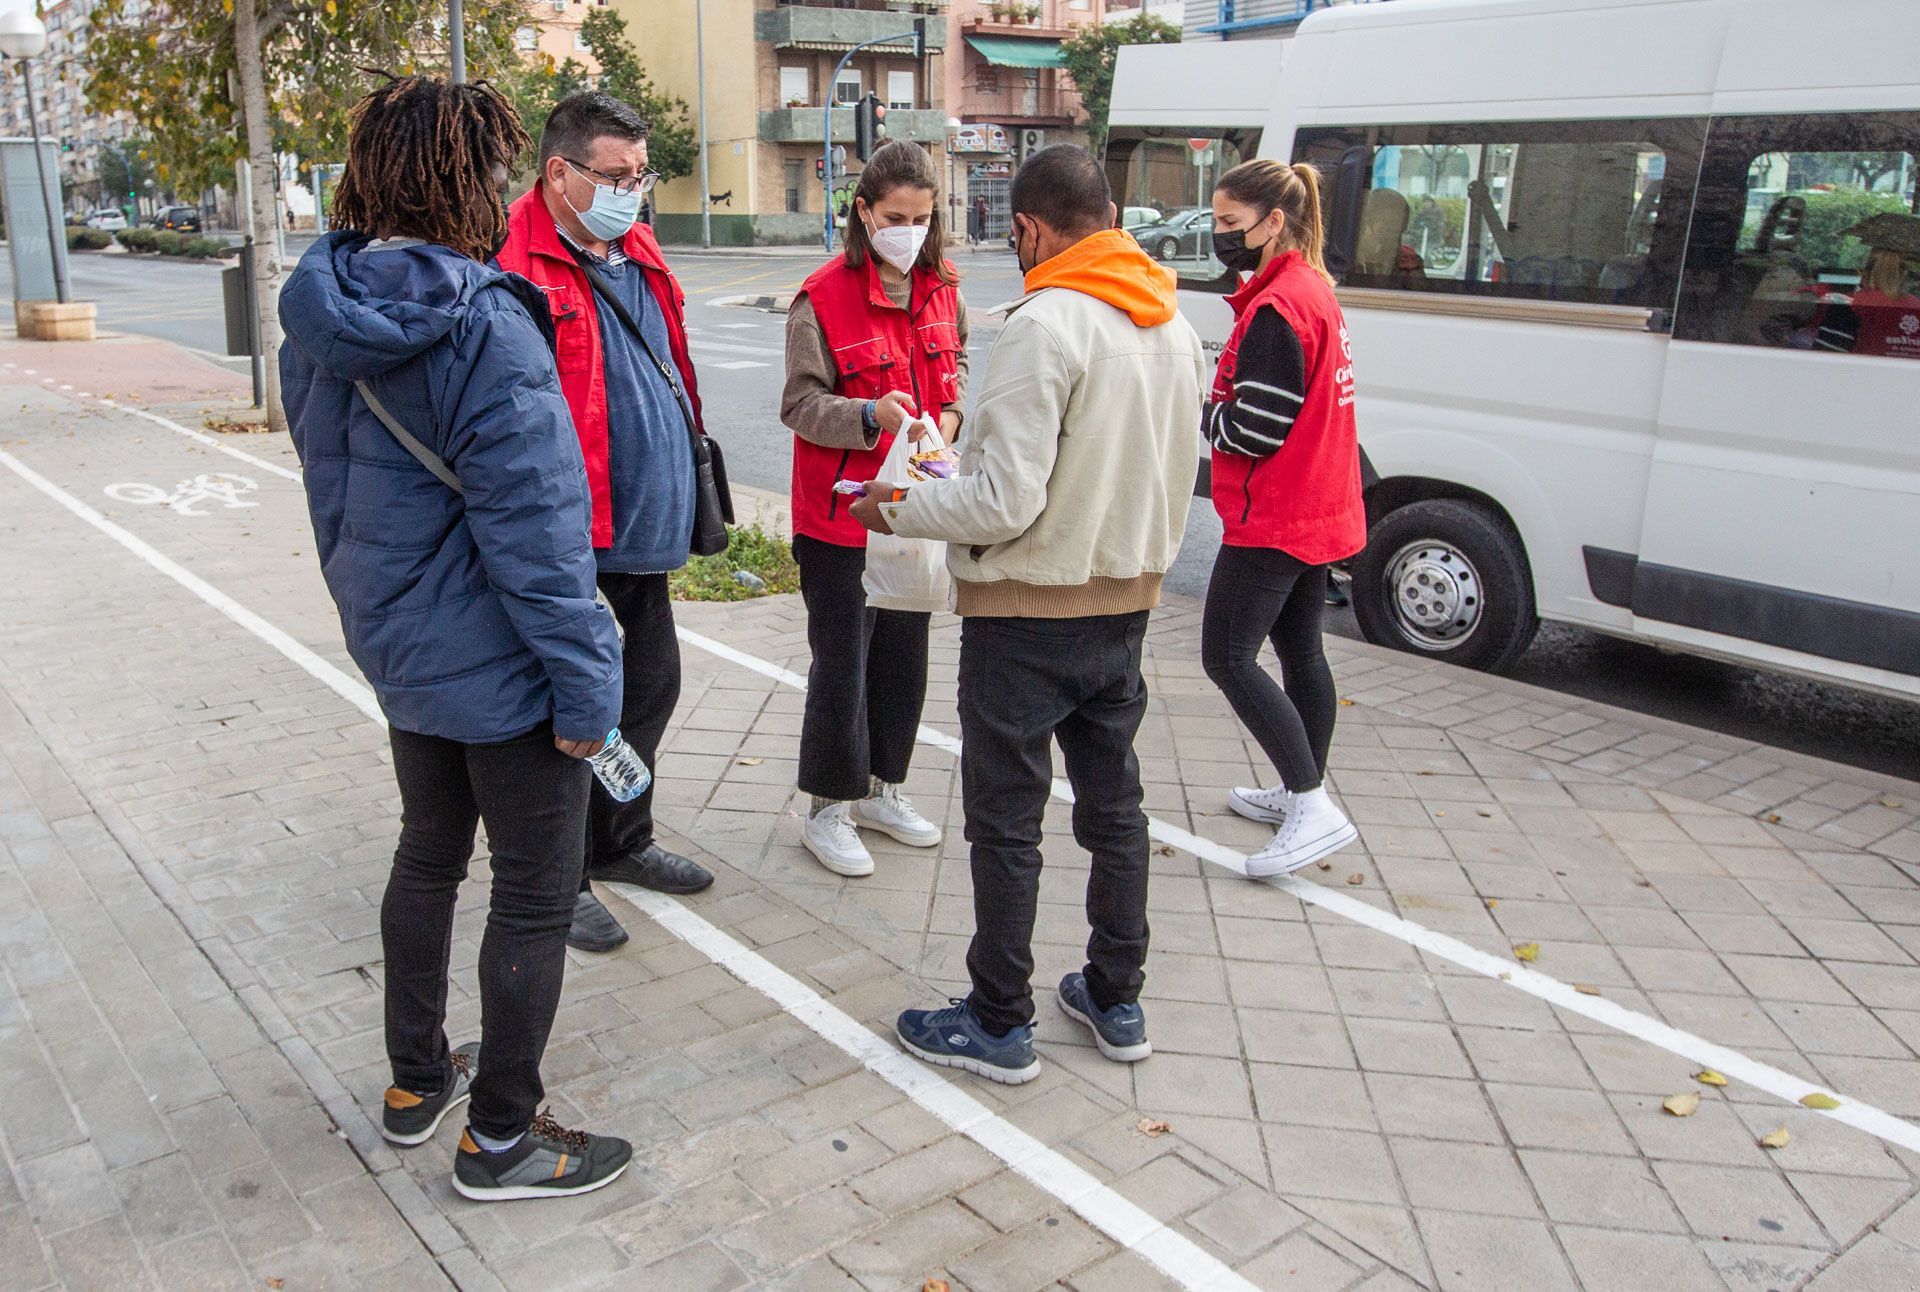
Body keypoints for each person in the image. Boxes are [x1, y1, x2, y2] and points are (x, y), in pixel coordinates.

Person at [279, 75, 632, 1200]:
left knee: (428, 854)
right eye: (489, 171)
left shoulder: (317, 312)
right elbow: (540, 543)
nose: (501, 191)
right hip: (505, 671)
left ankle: (414, 1081)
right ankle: (501, 1138)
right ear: (462, 183)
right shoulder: (484, 325)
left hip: (399, 651)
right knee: (533, 889)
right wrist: (588, 696)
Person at [852, 145, 1204, 1083]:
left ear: (1032, 227)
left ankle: (999, 1021)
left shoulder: (1044, 327)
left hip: (1026, 616)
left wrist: (897, 507)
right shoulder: (1172, 323)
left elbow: (1004, 503)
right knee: (1114, 808)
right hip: (1125, 607)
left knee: (1006, 824)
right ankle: (1115, 995)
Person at [494, 91, 716, 956]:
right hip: (569, 541)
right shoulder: (512, 261)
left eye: (641, 174)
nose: (634, 192)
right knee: (573, 714)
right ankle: (560, 882)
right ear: (560, 172)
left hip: (639, 536)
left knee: (649, 688)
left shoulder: (634, 247)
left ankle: (621, 841)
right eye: (618, 176)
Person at [781, 140, 970, 878]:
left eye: (924, 218)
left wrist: (948, 419)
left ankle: (882, 791)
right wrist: (870, 416)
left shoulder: (941, 285)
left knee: (904, 657)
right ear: (864, 212)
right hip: (840, 518)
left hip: (912, 509)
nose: (912, 231)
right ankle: (827, 806)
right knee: (844, 664)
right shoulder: (822, 295)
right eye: (897, 217)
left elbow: (953, 374)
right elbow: (800, 405)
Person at [1199, 159, 1366, 877]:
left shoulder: (1276, 310)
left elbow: (1255, 430)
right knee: (1302, 652)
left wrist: (1202, 410)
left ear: (1274, 222)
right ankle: (1304, 792)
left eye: (1230, 225)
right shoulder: (1312, 289)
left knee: (1227, 656)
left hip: (1278, 514)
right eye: (1215, 222)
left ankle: (1310, 804)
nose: (1219, 236)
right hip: (1320, 504)